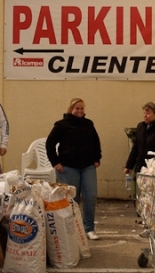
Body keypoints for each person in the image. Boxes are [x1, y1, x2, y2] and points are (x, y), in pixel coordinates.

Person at [46, 98, 102, 240]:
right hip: (68, 168)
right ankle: (73, 229)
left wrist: (97, 158)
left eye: (82, 108)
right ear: (71, 109)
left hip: (87, 166)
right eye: (77, 108)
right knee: (72, 199)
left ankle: (89, 228)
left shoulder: (89, 124)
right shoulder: (61, 125)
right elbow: (50, 144)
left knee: (90, 197)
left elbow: (96, 141)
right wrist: (55, 162)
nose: (80, 111)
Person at [123, 101, 155, 237]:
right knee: (144, 200)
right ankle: (147, 225)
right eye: (144, 112)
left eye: (148, 112)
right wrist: (129, 165)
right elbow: (136, 148)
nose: (145, 115)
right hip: (142, 168)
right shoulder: (141, 127)